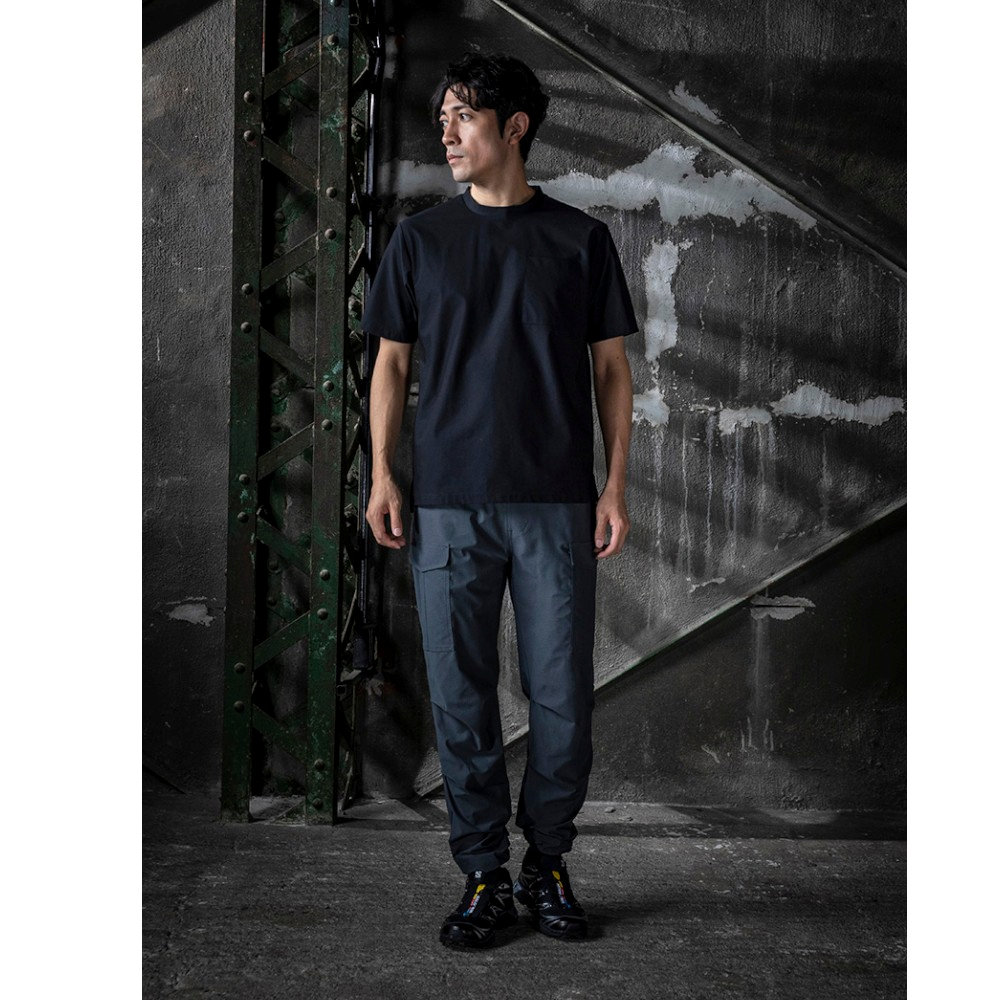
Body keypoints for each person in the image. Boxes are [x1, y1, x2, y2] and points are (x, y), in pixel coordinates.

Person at [361, 51, 639, 949]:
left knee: (562, 699)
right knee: (460, 697)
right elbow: (391, 364)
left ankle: (546, 862)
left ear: (514, 127)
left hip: (556, 503)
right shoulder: (421, 241)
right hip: (448, 503)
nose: (446, 133)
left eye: (464, 116)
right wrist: (384, 474)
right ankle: (483, 873)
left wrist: (613, 485)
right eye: (442, 117)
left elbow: (611, 370)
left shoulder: (580, 240)